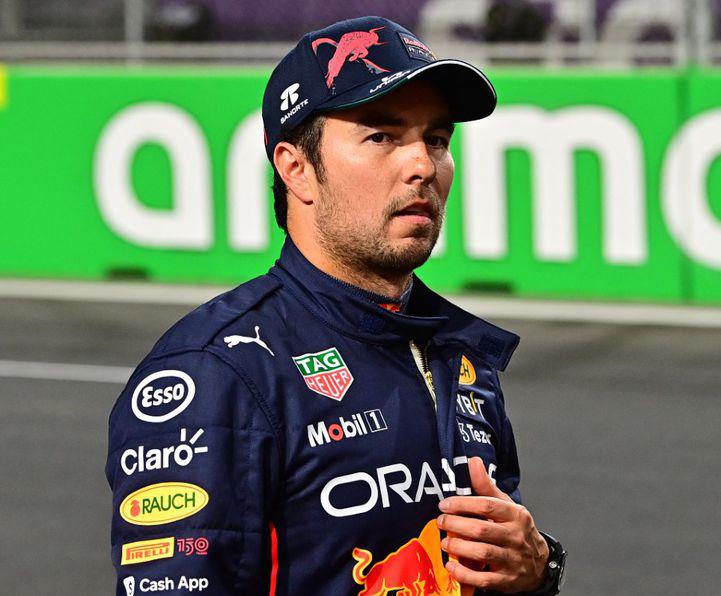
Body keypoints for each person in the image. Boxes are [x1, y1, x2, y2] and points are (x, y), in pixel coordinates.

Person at [105, 15, 566, 596]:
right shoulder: (216, 372)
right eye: (382, 137)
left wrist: (537, 570)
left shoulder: (458, 352)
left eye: (436, 139)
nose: (423, 165)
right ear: (296, 169)